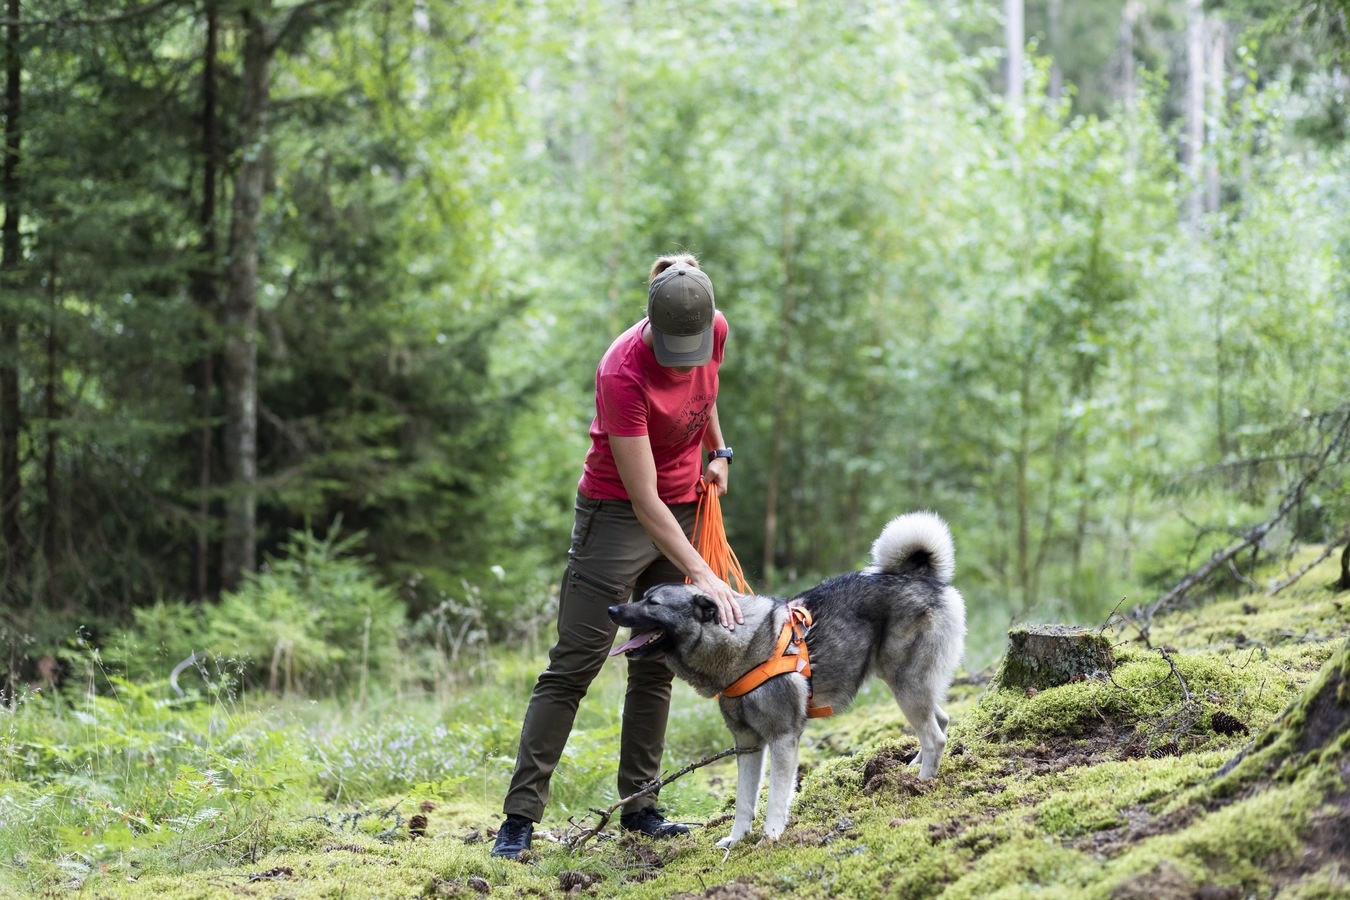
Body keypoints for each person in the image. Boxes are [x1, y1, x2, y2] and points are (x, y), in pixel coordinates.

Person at [491, 253, 745, 860]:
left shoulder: (713, 328)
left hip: (684, 506)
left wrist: (720, 451)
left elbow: (701, 397)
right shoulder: (621, 371)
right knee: (575, 663)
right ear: (650, 323)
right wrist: (705, 573)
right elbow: (643, 499)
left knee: (657, 659)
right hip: (617, 517)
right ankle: (519, 820)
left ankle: (642, 807)